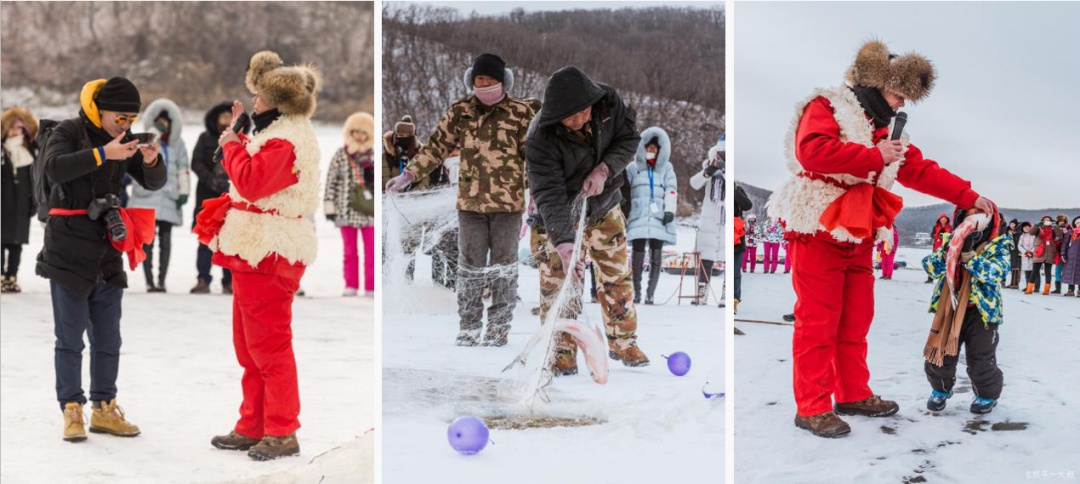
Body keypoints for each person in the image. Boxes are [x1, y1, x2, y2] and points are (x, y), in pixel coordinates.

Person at [767, 40, 995, 438]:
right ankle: (812, 407)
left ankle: (852, 393)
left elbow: (921, 170)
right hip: (818, 227)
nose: (901, 102)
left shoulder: (887, 131)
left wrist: (969, 196)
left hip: (860, 231)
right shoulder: (826, 105)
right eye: (897, 92)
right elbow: (811, 151)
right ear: (873, 85)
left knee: (855, 320)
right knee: (818, 322)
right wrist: (874, 156)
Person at [196, 51, 322, 460]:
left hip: (271, 248)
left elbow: (251, 182)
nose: (254, 102)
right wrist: (240, 136)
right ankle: (255, 423)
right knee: (249, 346)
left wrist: (233, 144)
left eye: (261, 97)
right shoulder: (275, 132)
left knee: (268, 346)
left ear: (280, 102)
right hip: (253, 247)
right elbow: (256, 168)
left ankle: (283, 430)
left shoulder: (289, 138)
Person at [38, 77, 165, 442]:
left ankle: (105, 407)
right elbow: (54, 168)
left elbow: (153, 182)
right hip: (67, 247)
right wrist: (102, 154)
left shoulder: (124, 140)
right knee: (70, 336)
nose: (124, 126)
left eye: (130, 120)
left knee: (109, 335)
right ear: (100, 109)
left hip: (109, 246)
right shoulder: (68, 130)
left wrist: (152, 161)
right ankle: (71, 409)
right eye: (119, 118)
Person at [386, 53, 534, 347]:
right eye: (479, 79)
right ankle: (468, 325)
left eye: (490, 80)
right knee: (469, 267)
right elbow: (436, 147)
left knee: (504, 267)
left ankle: (498, 328)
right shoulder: (461, 110)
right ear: (472, 80)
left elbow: (534, 156)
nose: (484, 84)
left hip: (508, 205)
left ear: (502, 81)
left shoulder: (520, 113)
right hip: (470, 205)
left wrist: (536, 194)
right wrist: (409, 175)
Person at [525, 65, 649, 374]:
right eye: (570, 116)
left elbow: (628, 140)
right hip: (558, 213)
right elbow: (549, 194)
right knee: (559, 281)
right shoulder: (539, 138)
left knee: (617, 275)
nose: (580, 119)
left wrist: (605, 169)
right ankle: (561, 349)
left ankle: (623, 341)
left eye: (583, 112)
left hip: (604, 205)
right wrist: (566, 245)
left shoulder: (607, 102)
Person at [923, 206, 1009, 414]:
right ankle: (940, 390)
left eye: (979, 214)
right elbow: (929, 268)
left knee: (981, 358)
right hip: (949, 308)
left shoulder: (998, 243)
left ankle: (986, 395)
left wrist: (971, 257)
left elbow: (997, 273)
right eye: (969, 215)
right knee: (940, 353)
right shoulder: (950, 239)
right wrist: (946, 254)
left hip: (982, 311)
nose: (974, 219)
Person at [127, 99, 190, 293]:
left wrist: (184, 191)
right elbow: (133, 166)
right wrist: (155, 132)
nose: (165, 125)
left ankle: (162, 280)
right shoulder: (145, 141)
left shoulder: (178, 144)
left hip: (168, 198)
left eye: (167, 122)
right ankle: (149, 280)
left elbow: (183, 168)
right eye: (159, 121)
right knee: (148, 241)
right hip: (145, 197)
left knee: (166, 241)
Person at [190, 101, 241, 294]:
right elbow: (196, 162)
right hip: (206, 196)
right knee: (205, 240)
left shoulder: (239, 139)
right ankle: (203, 278)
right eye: (223, 116)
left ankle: (228, 281)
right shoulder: (205, 138)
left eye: (230, 116)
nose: (227, 120)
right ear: (216, 119)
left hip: (230, 197)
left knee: (229, 241)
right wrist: (210, 180)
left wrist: (230, 182)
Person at [325, 112, 376, 297]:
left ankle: (371, 286)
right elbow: (331, 181)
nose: (359, 136)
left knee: (371, 251)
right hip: (345, 209)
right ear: (350, 132)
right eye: (356, 132)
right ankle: (351, 284)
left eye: (363, 132)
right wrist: (329, 207)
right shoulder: (341, 154)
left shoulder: (373, 155)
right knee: (349, 251)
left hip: (369, 211)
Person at [626, 126, 678, 305]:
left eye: (655, 149)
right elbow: (625, 190)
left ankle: (650, 294)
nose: (651, 151)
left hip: (659, 217)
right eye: (649, 148)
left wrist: (669, 210)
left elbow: (671, 190)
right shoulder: (633, 168)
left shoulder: (666, 169)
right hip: (638, 215)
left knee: (656, 257)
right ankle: (637, 292)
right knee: (637, 256)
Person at [1, 107, 39, 293]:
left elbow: (36, 180)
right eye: (12, 128)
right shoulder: (2, 150)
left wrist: (34, 203)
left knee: (17, 243)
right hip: (2, 204)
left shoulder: (31, 152)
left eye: (20, 128)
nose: (16, 132)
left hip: (22, 204)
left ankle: (12, 276)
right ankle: (1, 276)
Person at [689, 138, 724, 305]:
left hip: (725, 219)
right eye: (719, 154)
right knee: (706, 256)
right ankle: (702, 292)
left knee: (727, 256)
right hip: (709, 217)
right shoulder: (708, 168)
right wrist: (709, 170)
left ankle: (726, 292)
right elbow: (694, 183)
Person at [1026, 215, 1062, 295]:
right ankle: (1029, 289)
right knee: (1034, 271)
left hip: (1050, 252)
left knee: (1048, 272)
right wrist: (1037, 225)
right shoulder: (1038, 229)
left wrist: (1055, 226)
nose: (1046, 222)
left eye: (1048, 220)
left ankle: (1046, 290)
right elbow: (1031, 232)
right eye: (1044, 220)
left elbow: (1060, 234)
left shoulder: (1053, 230)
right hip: (1039, 251)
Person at [733, 184, 752, 315]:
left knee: (734, 271)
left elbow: (747, 205)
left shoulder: (737, 189)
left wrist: (734, 190)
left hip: (736, 237)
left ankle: (734, 300)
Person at [926, 214, 952, 283]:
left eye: (944, 219)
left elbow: (953, 236)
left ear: (947, 220)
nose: (943, 220)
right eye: (942, 218)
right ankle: (930, 278)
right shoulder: (936, 227)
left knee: (944, 263)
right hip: (936, 247)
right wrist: (937, 236)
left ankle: (943, 279)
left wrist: (947, 237)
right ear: (939, 220)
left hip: (946, 248)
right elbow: (932, 235)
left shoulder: (950, 227)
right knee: (933, 262)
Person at [1061, 216, 1080, 297]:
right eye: (1078, 223)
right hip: (1071, 255)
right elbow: (1065, 243)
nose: (1079, 224)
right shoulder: (1070, 232)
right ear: (1075, 224)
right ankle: (1070, 290)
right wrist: (1063, 253)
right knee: (1070, 272)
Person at [1052, 214, 1069, 294]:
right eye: (1060, 221)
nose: (1061, 223)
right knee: (1057, 270)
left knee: (1068, 271)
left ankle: (1070, 289)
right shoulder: (1054, 230)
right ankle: (1058, 288)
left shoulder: (1069, 229)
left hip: (1068, 253)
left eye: (1063, 221)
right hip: (1058, 253)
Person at [1018, 222, 1036, 288]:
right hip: (1025, 255)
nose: (1026, 228)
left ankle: (1033, 286)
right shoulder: (1021, 236)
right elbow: (1019, 246)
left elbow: (1035, 245)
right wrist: (1025, 252)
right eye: (1024, 227)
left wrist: (1031, 252)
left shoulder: (1034, 236)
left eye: (1027, 227)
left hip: (1032, 255)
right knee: (1026, 272)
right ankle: (1027, 286)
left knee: (1032, 271)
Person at [1006, 219, 1022, 289]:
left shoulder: (1018, 232)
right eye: (1010, 224)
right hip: (1011, 251)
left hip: (1017, 251)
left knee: (1017, 267)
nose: (1012, 225)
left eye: (1013, 224)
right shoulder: (1008, 232)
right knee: (1012, 267)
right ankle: (1012, 282)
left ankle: (1016, 283)